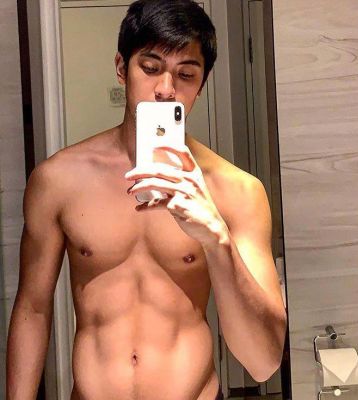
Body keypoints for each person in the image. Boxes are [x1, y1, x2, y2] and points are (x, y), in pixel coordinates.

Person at [6, 0, 287, 399]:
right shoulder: (58, 180)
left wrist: (216, 239)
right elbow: (33, 308)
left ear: (201, 84)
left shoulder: (237, 191)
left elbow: (263, 362)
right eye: (151, 67)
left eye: (185, 75)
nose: (166, 90)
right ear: (122, 68)